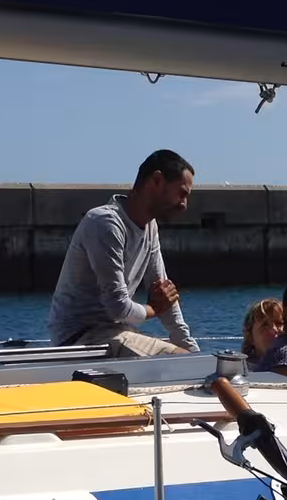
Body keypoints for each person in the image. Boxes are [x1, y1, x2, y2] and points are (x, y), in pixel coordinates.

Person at [47, 149, 199, 355]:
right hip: (79, 338)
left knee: (189, 358)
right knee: (179, 361)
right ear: (156, 180)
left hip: (115, 332)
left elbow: (166, 296)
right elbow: (117, 307)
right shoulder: (105, 223)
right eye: (182, 193)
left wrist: (194, 351)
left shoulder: (150, 227)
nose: (184, 205)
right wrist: (153, 309)